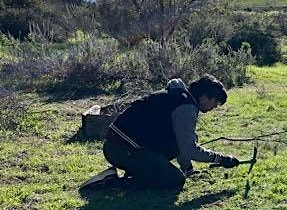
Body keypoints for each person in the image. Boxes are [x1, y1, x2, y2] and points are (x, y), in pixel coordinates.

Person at [79, 75, 242, 192]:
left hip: (124, 145)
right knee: (174, 181)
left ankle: (142, 169)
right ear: (205, 97)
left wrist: (188, 168)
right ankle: (112, 182)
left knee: (186, 141)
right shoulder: (186, 107)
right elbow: (189, 149)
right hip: (121, 149)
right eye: (216, 102)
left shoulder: (179, 96)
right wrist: (221, 159)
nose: (215, 107)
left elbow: (182, 142)